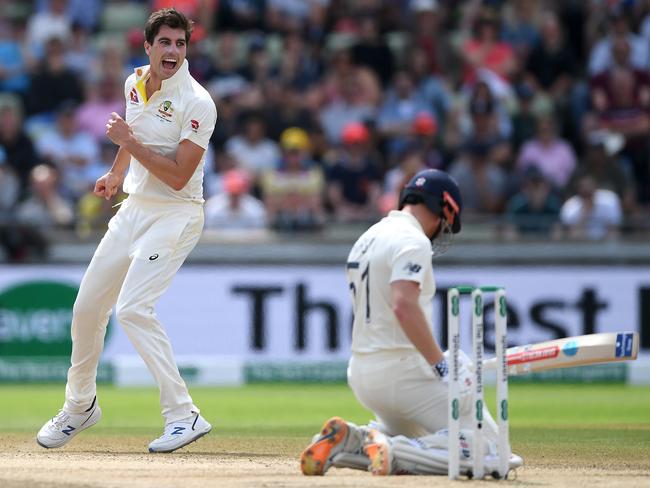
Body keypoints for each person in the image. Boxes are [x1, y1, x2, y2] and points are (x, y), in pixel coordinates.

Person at [36, 8, 217, 453]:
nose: (173, 51)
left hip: (176, 213)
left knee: (134, 308)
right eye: (166, 43)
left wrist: (128, 146)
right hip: (133, 208)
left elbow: (177, 176)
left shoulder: (198, 101)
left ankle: (184, 415)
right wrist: (116, 173)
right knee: (85, 309)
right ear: (148, 46)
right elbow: (131, 136)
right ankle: (80, 406)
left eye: (180, 44)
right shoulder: (134, 82)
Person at [300, 169, 523, 477]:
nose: (441, 231)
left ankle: (354, 441)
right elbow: (404, 305)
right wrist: (443, 366)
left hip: (363, 373)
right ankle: (396, 451)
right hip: (402, 374)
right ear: (445, 209)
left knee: (433, 441)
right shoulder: (412, 239)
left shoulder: (368, 237)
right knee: (492, 451)